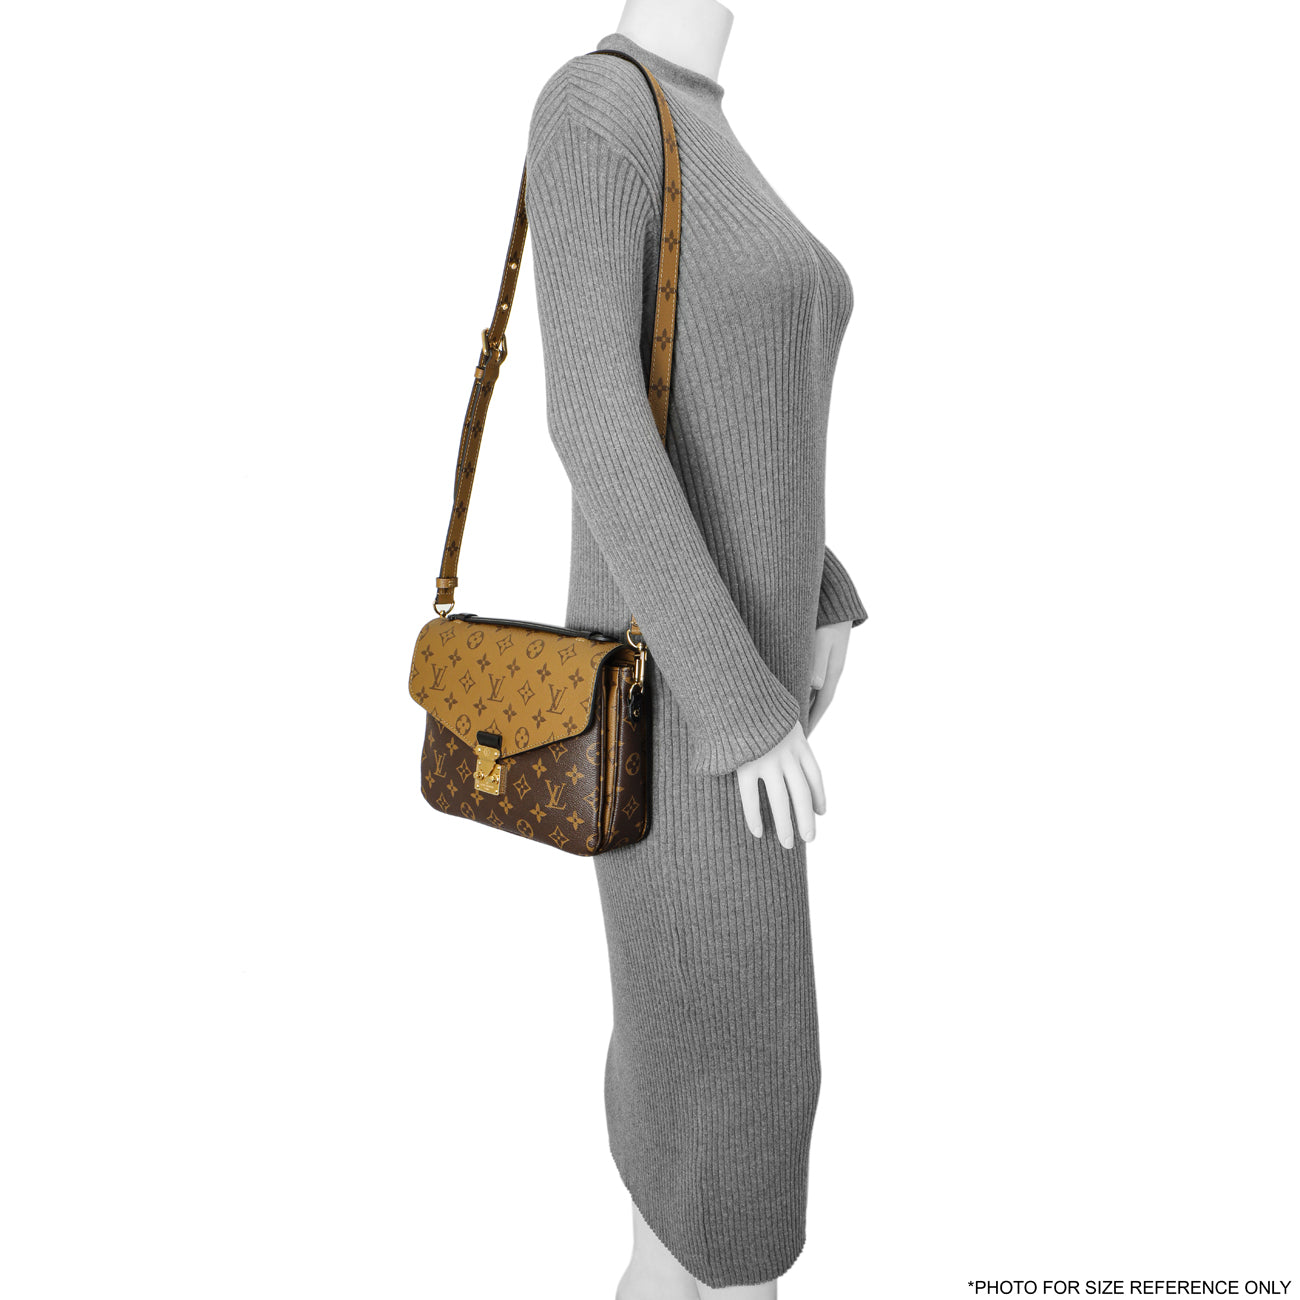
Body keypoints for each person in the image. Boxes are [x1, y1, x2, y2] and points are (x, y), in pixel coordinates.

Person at [524, 1, 868, 1293]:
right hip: (679, 728)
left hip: (739, 712)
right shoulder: (595, 109)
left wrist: (819, 589)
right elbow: (598, 420)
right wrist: (739, 706)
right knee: (726, 1161)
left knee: (715, 1169)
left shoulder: (700, 125)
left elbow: (721, 409)